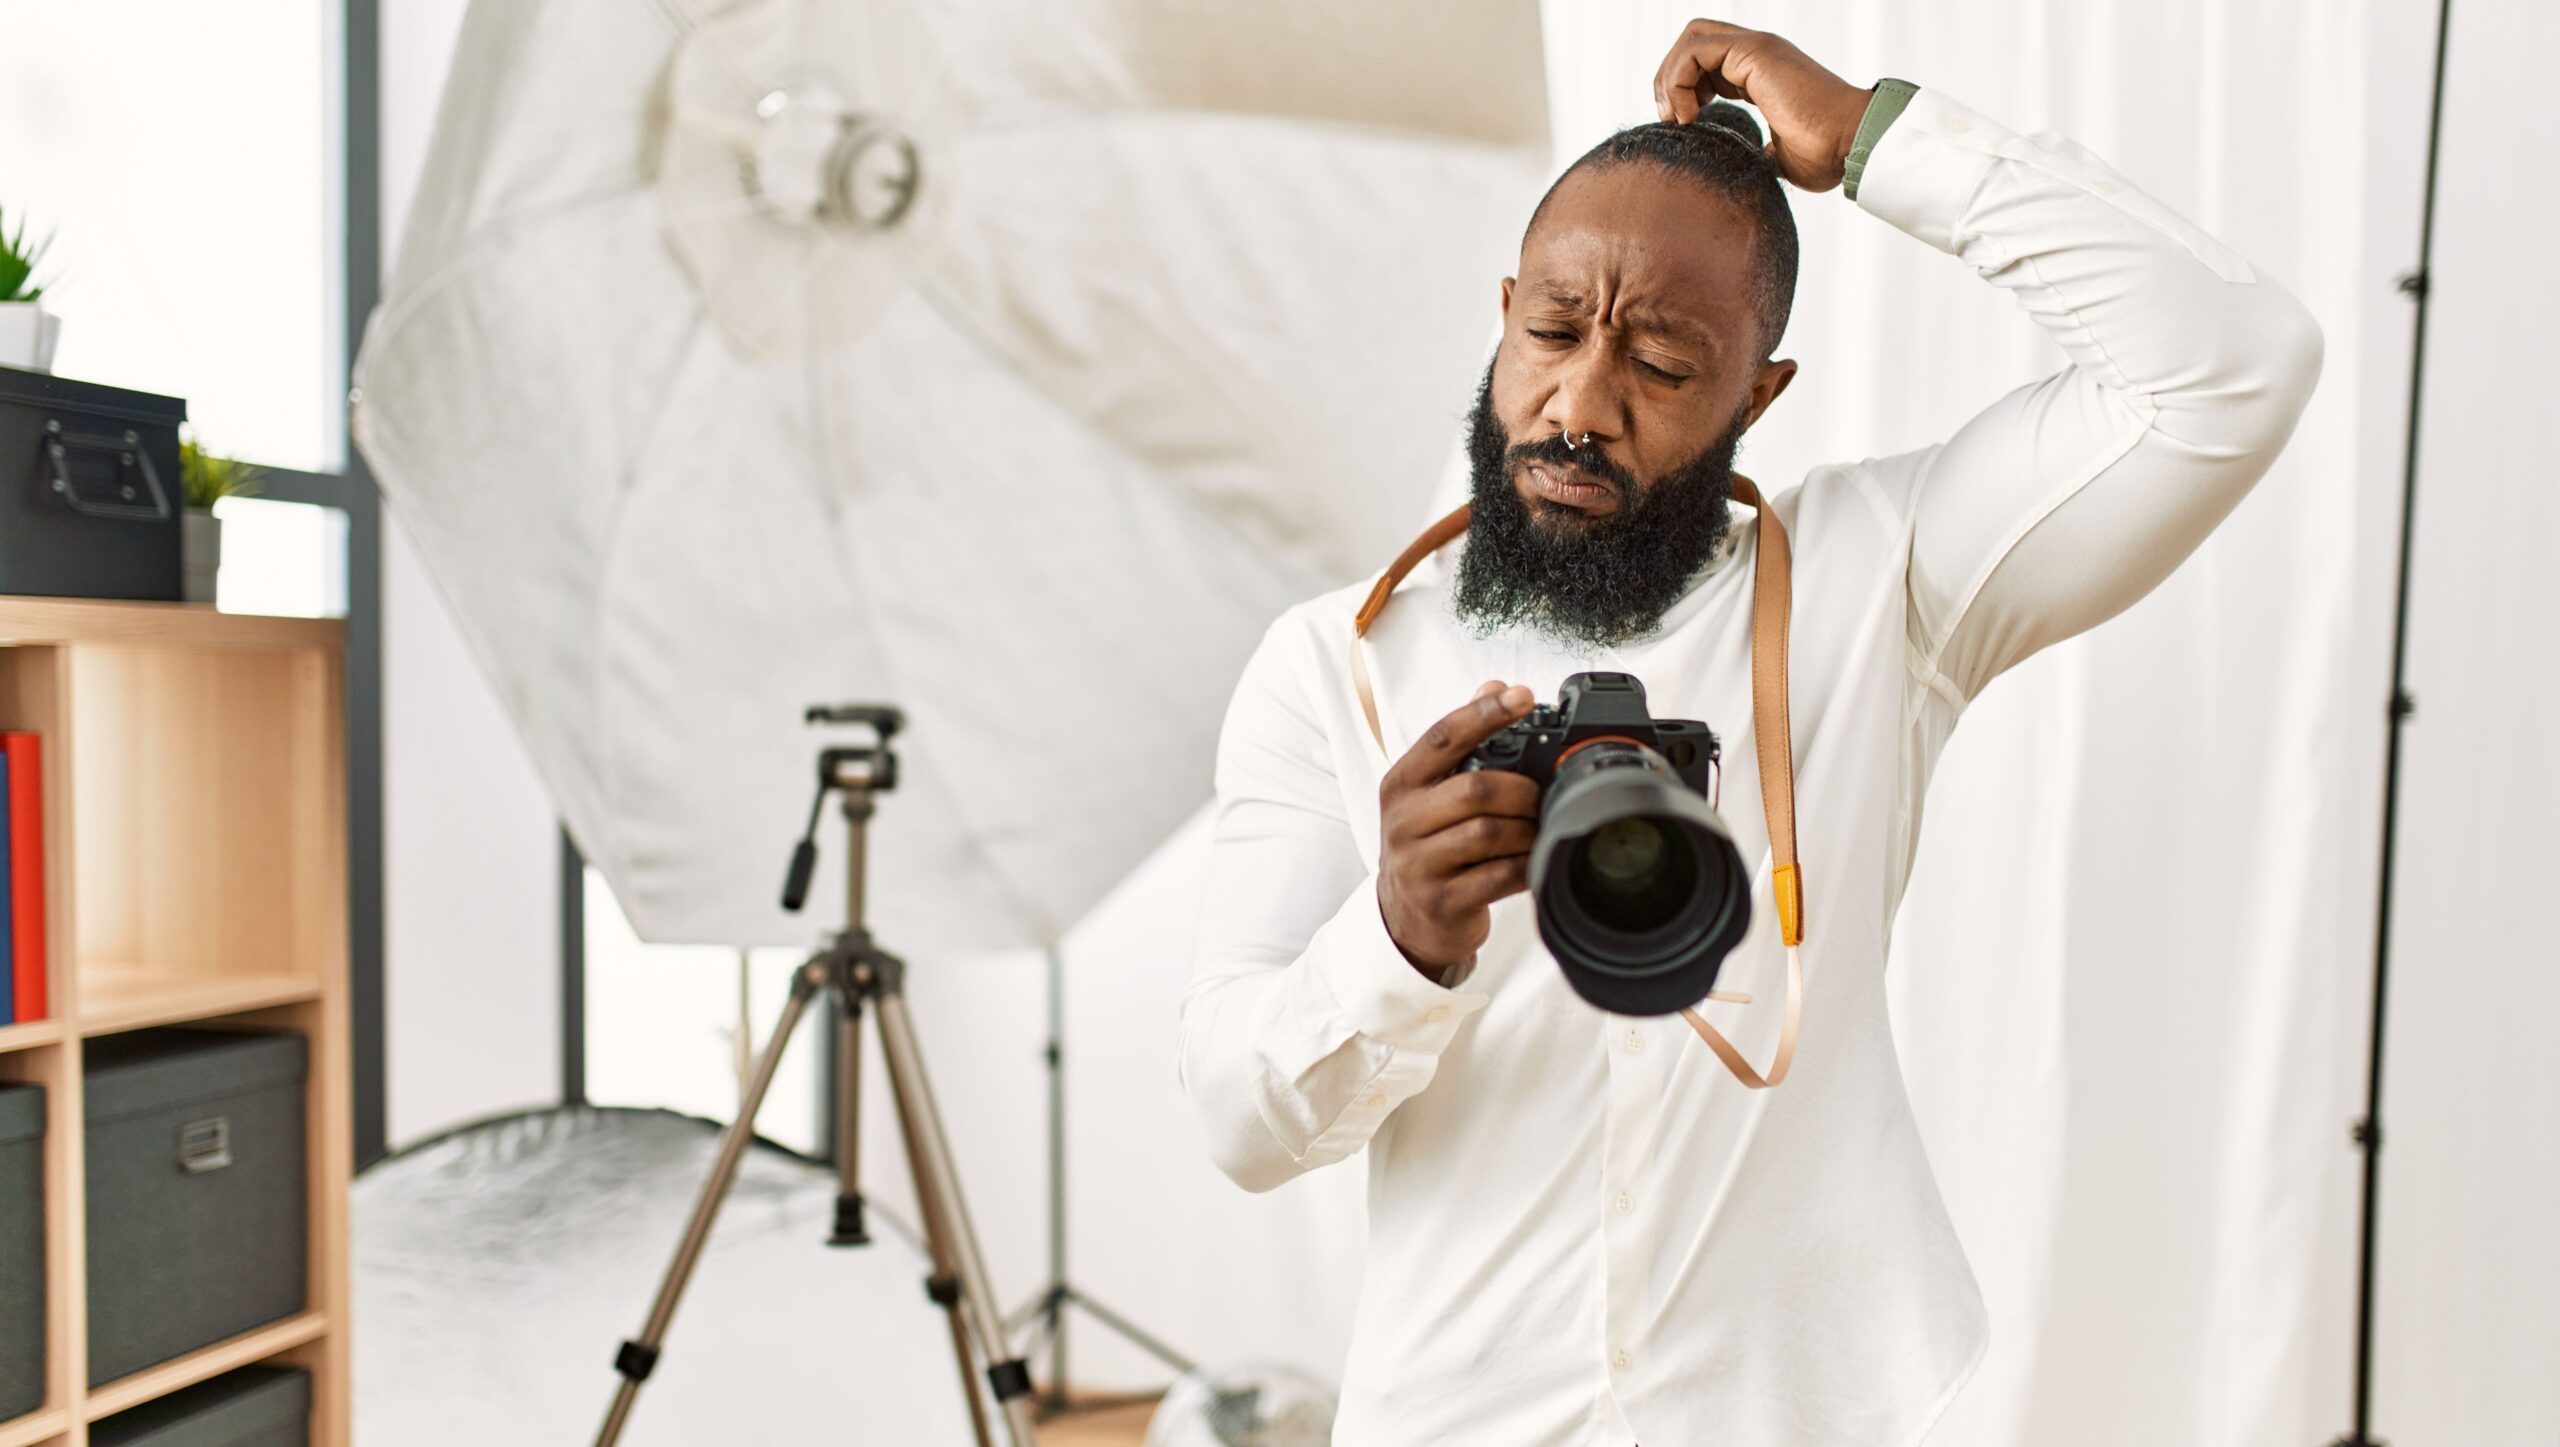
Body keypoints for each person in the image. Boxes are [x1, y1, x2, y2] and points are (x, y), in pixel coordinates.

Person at [1178, 18, 2322, 1446]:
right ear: (1504, 316)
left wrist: (1881, 142)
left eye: (1661, 362)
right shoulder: (1334, 667)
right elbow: (1239, 1123)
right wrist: (1396, 938)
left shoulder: (1885, 578)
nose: (1577, 404)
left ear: (1757, 394)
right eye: (1547, 331)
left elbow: (2237, 363)